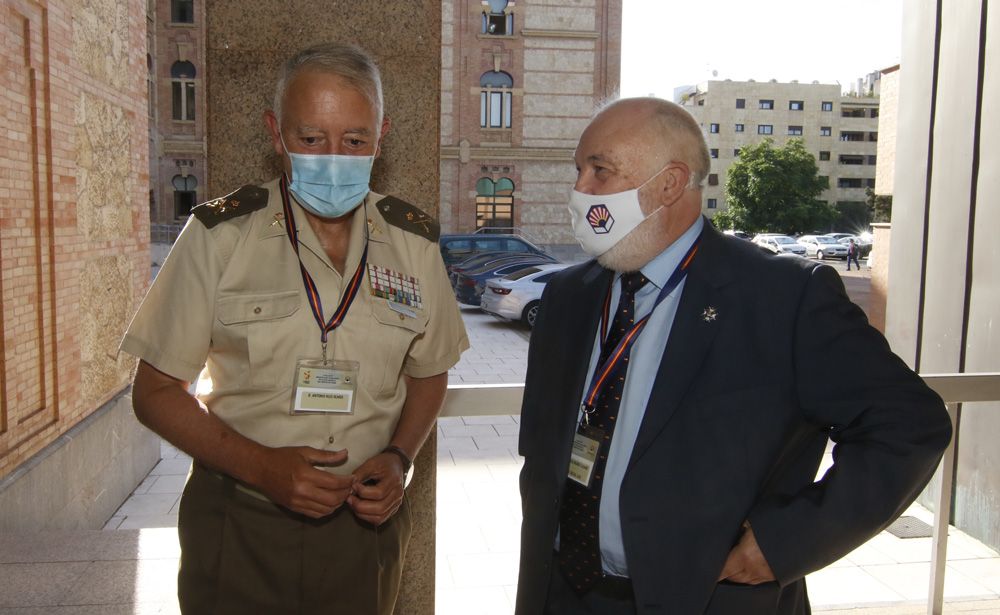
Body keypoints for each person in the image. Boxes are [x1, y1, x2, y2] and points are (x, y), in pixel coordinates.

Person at [514, 98, 951, 615]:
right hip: (564, 592)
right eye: (578, 171)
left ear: (670, 183)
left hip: (709, 600)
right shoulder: (569, 296)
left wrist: (787, 541)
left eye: (599, 171)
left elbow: (909, 425)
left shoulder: (784, 298)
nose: (579, 190)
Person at [120, 43, 468, 614]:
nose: (334, 158)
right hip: (240, 524)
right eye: (311, 139)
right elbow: (155, 394)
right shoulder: (219, 237)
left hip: (363, 533)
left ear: (381, 137)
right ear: (275, 133)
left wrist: (400, 457)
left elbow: (430, 373)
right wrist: (264, 468)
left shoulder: (414, 244)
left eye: (354, 141)